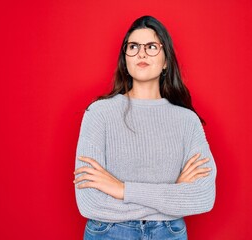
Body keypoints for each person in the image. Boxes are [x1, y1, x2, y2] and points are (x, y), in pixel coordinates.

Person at [73, 15, 217, 240]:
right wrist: (172, 196)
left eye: (151, 46)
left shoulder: (186, 121)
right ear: (125, 58)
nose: (141, 53)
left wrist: (122, 189)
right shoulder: (99, 114)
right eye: (133, 46)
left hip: (168, 234)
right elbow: (89, 203)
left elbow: (203, 197)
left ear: (166, 60)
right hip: (108, 234)